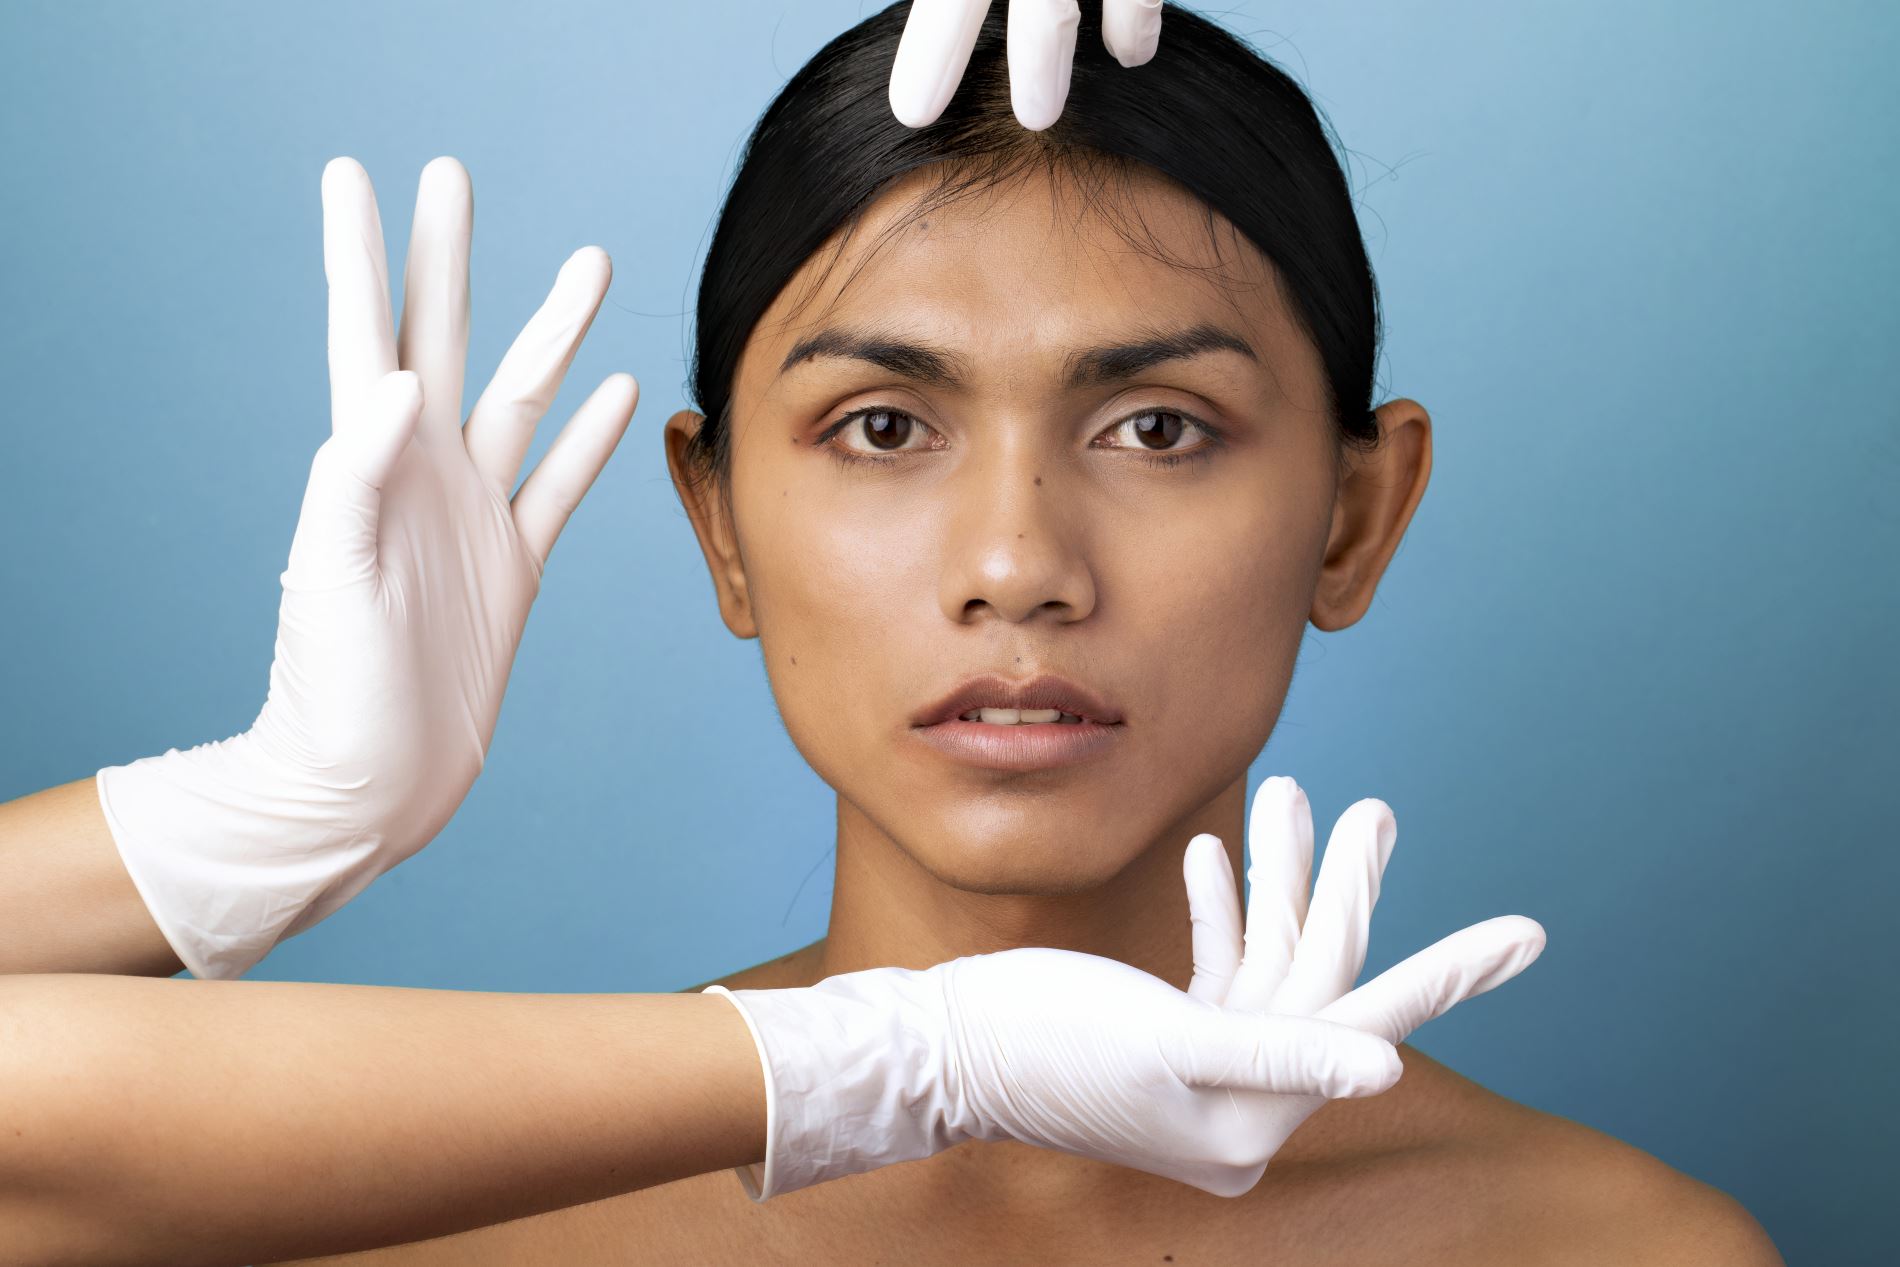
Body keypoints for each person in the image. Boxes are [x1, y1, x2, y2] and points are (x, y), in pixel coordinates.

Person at [271, 3, 1771, 1263]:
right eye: (881, 425)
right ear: (718, 522)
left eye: (1159, 427)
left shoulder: (1616, 1249)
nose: (1016, 565)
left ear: (1354, 517)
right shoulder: (410, 1227)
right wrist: (264, 815)